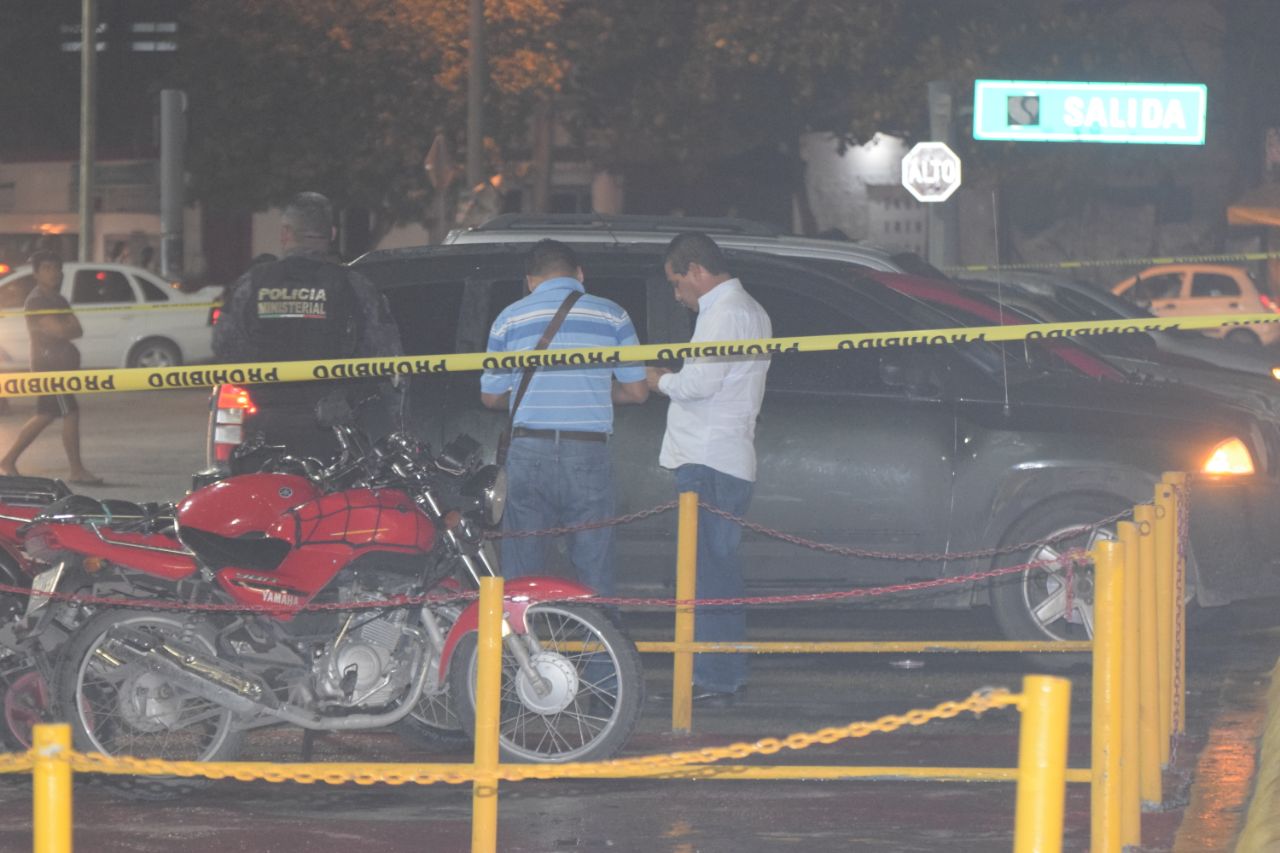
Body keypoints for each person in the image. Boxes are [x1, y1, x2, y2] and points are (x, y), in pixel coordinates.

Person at [481, 239, 648, 596]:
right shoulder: (612, 315)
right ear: (580, 274)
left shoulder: (509, 318)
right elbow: (637, 392)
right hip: (587, 452)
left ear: (530, 280)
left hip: (528, 451)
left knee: (522, 570)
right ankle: (598, 633)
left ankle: (522, 632)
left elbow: (491, 396)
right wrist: (593, 389)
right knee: (593, 569)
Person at [646, 232, 771, 706]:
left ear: (696, 270)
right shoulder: (749, 309)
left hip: (708, 459)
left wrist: (659, 380)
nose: (677, 295)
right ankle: (720, 675)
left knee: (707, 577)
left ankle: (714, 680)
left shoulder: (724, 312)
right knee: (715, 573)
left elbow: (699, 383)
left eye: (677, 283)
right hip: (724, 456)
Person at [213, 192, 403, 459]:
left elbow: (224, 347)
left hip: (264, 431)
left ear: (286, 233)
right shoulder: (354, 286)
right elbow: (387, 354)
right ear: (332, 234)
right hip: (333, 432)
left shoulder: (253, 283)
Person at [0, 251, 101, 484]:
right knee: (69, 412)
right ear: (36, 273)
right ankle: (76, 470)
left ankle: (8, 460)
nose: (54, 273)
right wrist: (63, 327)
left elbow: (77, 329)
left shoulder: (58, 299)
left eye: (56, 268)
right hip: (50, 367)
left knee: (45, 414)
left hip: (60, 365)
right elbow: (62, 330)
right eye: (47, 268)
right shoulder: (37, 300)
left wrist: (64, 327)